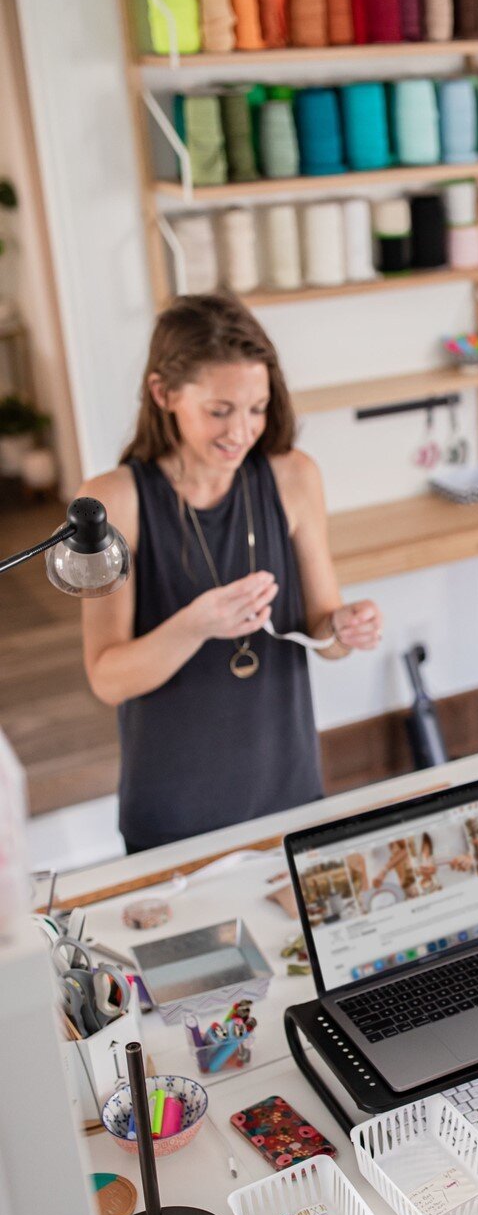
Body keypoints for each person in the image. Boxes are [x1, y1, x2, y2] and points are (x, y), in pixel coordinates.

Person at [78, 294, 382, 852]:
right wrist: (196, 624)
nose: (241, 431)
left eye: (257, 408)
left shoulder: (294, 477)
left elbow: (323, 630)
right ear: (163, 393)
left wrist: (346, 627)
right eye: (220, 410)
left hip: (289, 793)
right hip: (173, 814)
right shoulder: (112, 502)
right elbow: (107, 677)